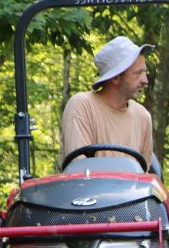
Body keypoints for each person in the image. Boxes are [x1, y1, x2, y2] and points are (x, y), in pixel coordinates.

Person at [61, 36, 154, 169]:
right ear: (115, 77)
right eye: (137, 73)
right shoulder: (82, 105)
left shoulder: (143, 116)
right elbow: (78, 170)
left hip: (132, 190)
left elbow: (144, 174)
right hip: (91, 189)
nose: (145, 80)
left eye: (145, 72)